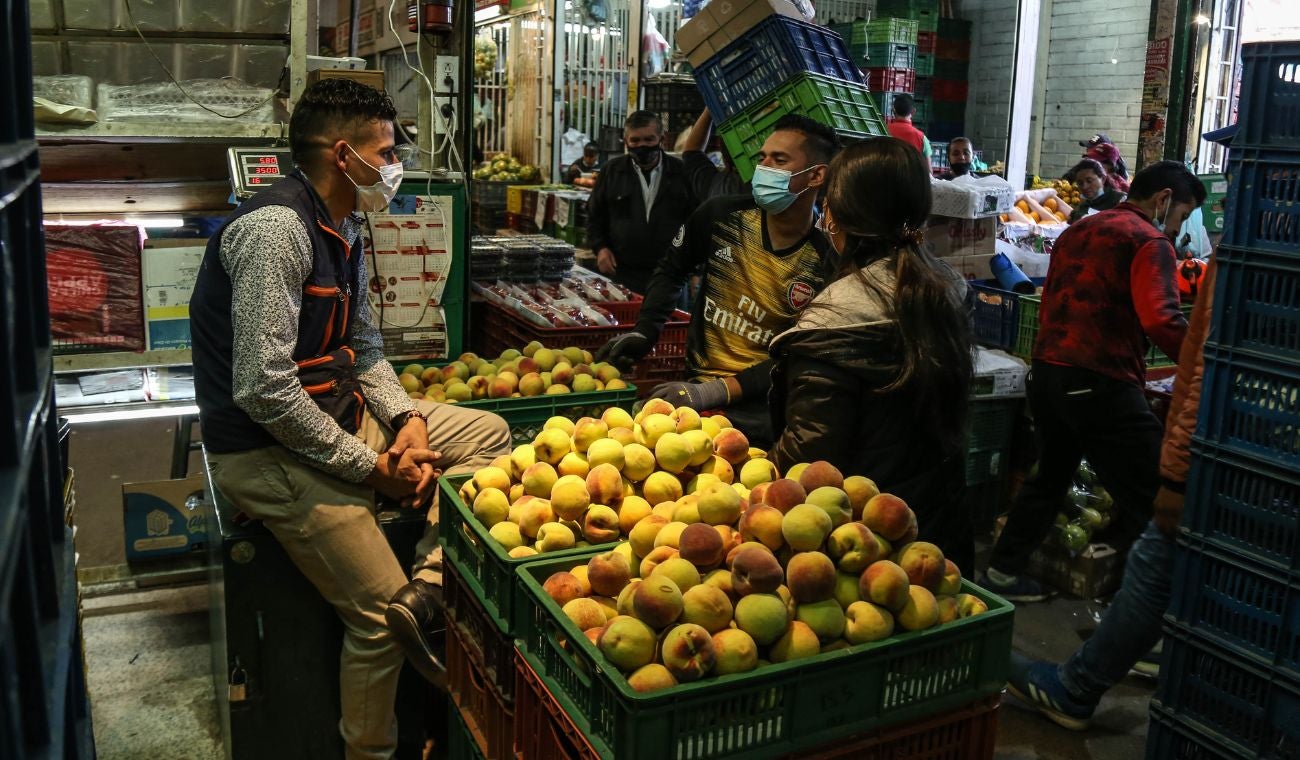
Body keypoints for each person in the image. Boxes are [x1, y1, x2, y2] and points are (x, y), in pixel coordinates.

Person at [189, 78, 512, 759]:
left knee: (487, 434)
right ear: (344, 155)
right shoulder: (277, 232)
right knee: (375, 620)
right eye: (386, 151)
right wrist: (374, 469)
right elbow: (264, 390)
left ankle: (426, 589)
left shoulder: (346, 224)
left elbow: (362, 346)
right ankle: (370, 752)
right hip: (264, 451)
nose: (394, 165)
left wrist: (408, 424)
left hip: (337, 412)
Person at [981, 160, 1205, 601]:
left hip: (1046, 373)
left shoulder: (1081, 229)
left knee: (1051, 476)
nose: (1177, 227)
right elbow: (1162, 318)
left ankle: (1002, 574)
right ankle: (1144, 612)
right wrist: (1200, 369)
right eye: (1180, 215)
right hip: (1099, 379)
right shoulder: (1148, 240)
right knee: (1155, 494)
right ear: (1163, 200)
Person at [767, 138, 975, 570]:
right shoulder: (943, 291)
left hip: (859, 553)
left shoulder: (832, 322)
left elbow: (810, 464)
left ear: (837, 215)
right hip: (936, 536)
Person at [594, 115, 839, 447]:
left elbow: (800, 355)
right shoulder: (721, 216)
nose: (764, 168)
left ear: (816, 175)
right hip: (692, 398)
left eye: (779, 160)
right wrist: (646, 330)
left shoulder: (827, 261)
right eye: (762, 158)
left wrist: (718, 390)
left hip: (764, 414)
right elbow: (671, 270)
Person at [586, 110, 696, 295]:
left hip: (671, 275)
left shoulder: (682, 173)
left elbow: (695, 222)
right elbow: (594, 215)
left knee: (670, 323)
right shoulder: (611, 171)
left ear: (662, 139)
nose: (642, 146)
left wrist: (696, 270)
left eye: (649, 139)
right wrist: (601, 248)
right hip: (622, 273)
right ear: (626, 141)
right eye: (635, 141)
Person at [680, 109, 748, 201]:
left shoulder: (716, 187)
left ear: (725, 161)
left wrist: (710, 108)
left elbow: (691, 153)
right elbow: (691, 152)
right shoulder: (769, 186)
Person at [886, 94, 933, 174]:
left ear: (893, 110)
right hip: (912, 184)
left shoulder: (883, 130)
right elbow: (929, 172)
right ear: (913, 111)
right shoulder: (921, 138)